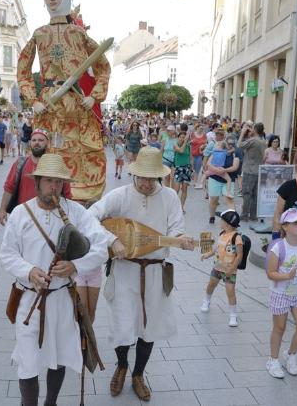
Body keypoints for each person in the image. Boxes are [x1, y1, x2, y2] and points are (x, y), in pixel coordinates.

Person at [0, 154, 109, 406]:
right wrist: (28, 271)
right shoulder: (20, 213)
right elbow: (7, 254)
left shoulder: (76, 212)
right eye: (48, 181)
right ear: (37, 182)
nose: (54, 187)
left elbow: (101, 246)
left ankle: (51, 403)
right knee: (28, 361)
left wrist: (75, 265)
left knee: (57, 356)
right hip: (29, 301)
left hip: (62, 300)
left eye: (59, 182)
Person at [89, 146, 194, 402]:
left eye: (152, 178)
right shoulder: (120, 195)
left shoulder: (169, 197)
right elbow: (90, 216)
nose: (147, 183)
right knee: (122, 324)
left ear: (159, 175)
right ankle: (122, 365)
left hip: (155, 272)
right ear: (135, 174)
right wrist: (112, 240)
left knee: (150, 327)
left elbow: (177, 229)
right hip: (125, 270)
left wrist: (182, 240)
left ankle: (138, 373)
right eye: (142, 177)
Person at [18, 0, 110, 202]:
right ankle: (45, 199)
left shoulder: (79, 34)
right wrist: (33, 99)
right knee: (48, 154)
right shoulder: (39, 34)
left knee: (81, 154)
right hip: (48, 107)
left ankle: (77, 203)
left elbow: (103, 65)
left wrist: (94, 96)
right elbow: (23, 71)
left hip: (77, 106)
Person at [265, 208, 297, 379]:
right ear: (285, 227)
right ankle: (273, 360)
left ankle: (291, 355)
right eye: (295, 222)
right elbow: (270, 273)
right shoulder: (278, 247)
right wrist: (286, 276)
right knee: (280, 327)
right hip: (280, 293)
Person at [0, 129, 70, 225]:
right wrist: (2, 210)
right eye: (34, 140)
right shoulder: (20, 164)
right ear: (30, 143)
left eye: (41, 140)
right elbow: (9, 189)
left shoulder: (56, 165)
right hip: (24, 216)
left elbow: (67, 194)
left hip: (50, 218)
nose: (37, 143)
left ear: (47, 143)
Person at [199, 209, 243, 326]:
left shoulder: (236, 238)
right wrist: (207, 255)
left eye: (221, 220)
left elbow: (239, 256)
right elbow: (216, 249)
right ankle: (206, 301)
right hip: (217, 268)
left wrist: (231, 269)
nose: (220, 222)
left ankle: (233, 316)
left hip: (229, 271)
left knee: (230, 292)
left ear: (228, 224)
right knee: (211, 285)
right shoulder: (222, 234)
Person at [238, 122, 266, 222]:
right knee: (254, 195)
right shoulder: (263, 141)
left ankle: (244, 215)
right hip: (258, 170)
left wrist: (242, 133)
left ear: (255, 129)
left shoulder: (253, 140)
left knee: (246, 193)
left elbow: (239, 145)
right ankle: (253, 215)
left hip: (249, 170)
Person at [172, 131, 191, 211]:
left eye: (184, 137)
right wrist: (186, 141)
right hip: (178, 168)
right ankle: (173, 207)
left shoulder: (188, 145)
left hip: (186, 168)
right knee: (176, 189)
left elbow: (190, 156)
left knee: (184, 189)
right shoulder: (175, 144)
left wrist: (191, 168)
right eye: (181, 137)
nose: (182, 139)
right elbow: (181, 151)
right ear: (178, 137)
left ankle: (181, 206)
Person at [190, 124, 207, 189]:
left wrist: (204, 146)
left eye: (202, 129)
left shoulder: (204, 135)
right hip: (192, 154)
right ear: (197, 128)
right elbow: (189, 143)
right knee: (192, 168)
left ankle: (195, 181)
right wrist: (190, 142)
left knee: (197, 168)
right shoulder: (192, 134)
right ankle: (192, 179)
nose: (201, 130)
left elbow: (206, 143)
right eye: (200, 128)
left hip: (200, 154)